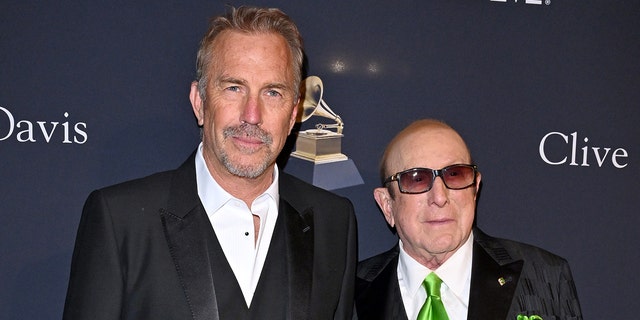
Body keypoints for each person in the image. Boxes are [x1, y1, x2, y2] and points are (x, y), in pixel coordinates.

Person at [63, 6, 357, 320]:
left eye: (272, 92)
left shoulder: (333, 222)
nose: (252, 115)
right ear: (199, 102)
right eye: (234, 88)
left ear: (293, 114)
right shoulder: (120, 220)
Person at [354, 119, 582, 319]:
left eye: (455, 174)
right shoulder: (348, 292)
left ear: (475, 188)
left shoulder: (545, 275)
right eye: (417, 179)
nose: (440, 197)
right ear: (387, 205)